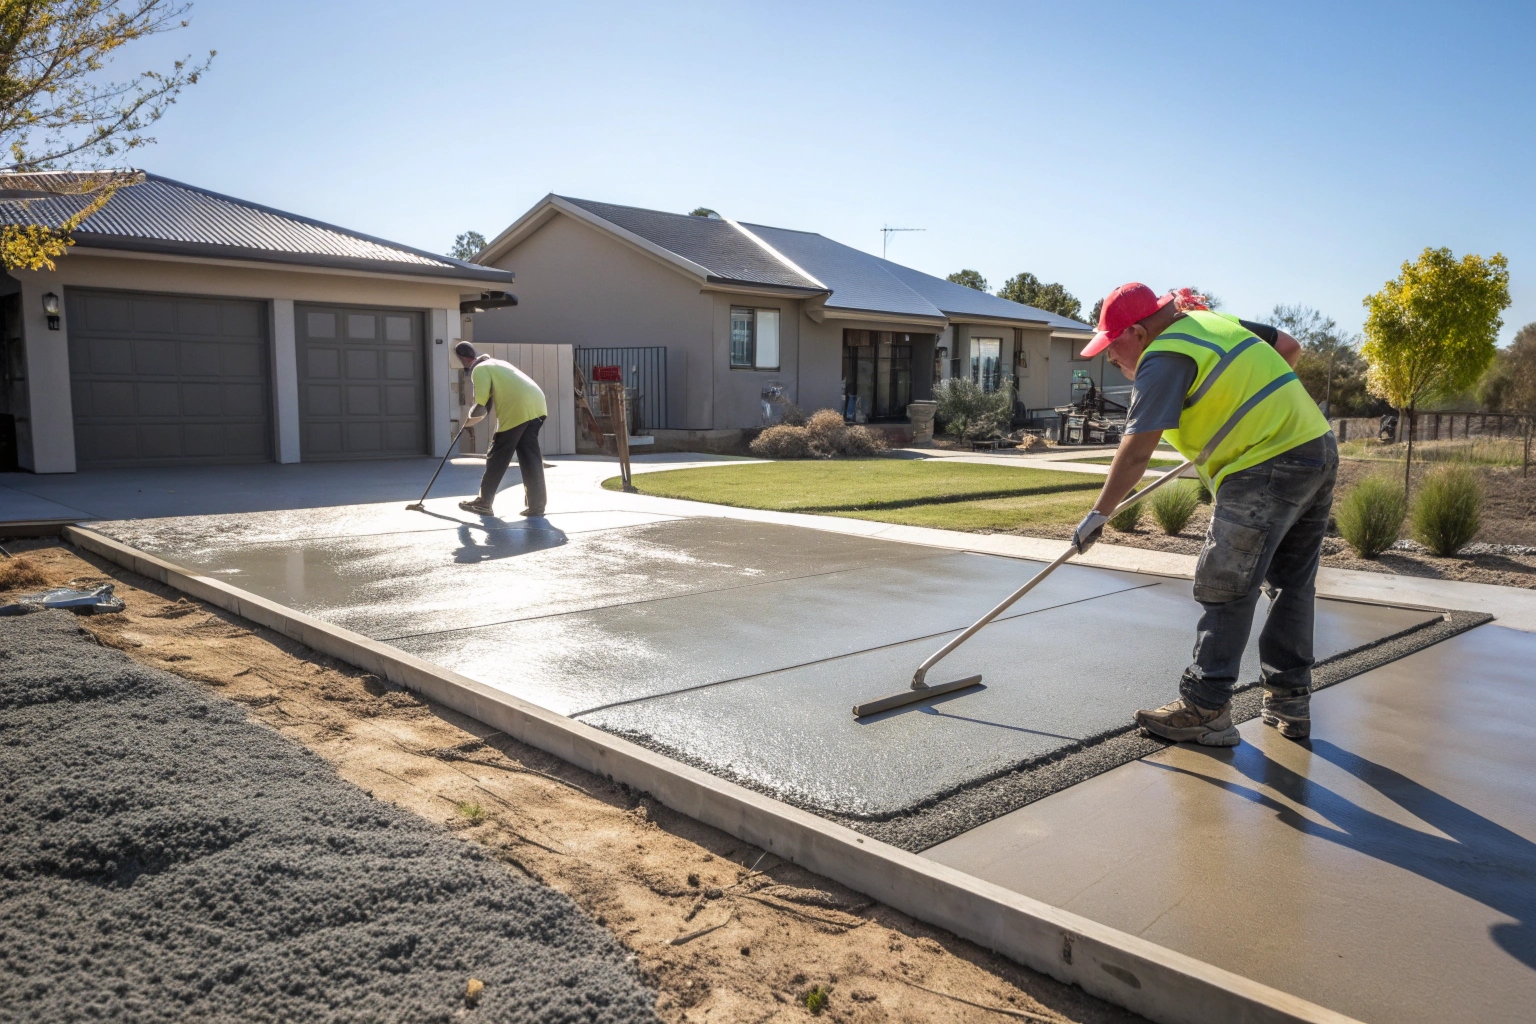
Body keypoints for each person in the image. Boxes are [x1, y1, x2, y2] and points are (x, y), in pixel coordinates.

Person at [1070, 284, 1334, 746]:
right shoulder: (1213, 325)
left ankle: (1205, 707)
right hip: (1315, 447)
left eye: (1114, 348)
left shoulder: (1164, 355)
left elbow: (1135, 453)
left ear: (1136, 331)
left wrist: (1099, 514)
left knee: (1226, 582)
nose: (1112, 360)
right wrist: (1244, 408)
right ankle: (1290, 704)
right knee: (1292, 584)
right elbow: (1288, 347)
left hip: (1265, 462)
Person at [454, 341, 548, 517]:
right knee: (530, 457)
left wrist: (466, 424)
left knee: (497, 455)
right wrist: (471, 421)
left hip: (517, 410)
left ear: (463, 359)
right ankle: (537, 506)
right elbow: (488, 403)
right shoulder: (499, 364)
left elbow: (481, 405)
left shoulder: (479, 370)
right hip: (538, 406)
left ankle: (484, 503)